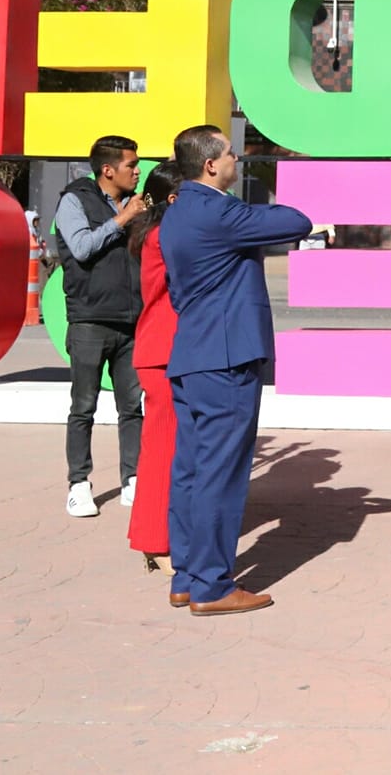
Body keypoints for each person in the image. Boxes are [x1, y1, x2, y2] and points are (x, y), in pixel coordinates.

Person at [161, 125, 315, 615]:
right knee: (221, 474)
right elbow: (298, 220)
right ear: (210, 165)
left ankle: (187, 575)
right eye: (230, 153)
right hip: (225, 357)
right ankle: (212, 585)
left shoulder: (178, 210)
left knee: (190, 469)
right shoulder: (217, 211)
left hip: (192, 355)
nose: (237, 159)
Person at [53, 134, 148, 519]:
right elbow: (81, 248)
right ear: (108, 170)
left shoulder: (138, 203)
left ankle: (133, 480)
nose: (138, 171)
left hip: (131, 321)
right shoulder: (74, 201)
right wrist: (123, 219)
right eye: (131, 165)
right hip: (90, 321)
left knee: (132, 407)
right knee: (84, 407)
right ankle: (78, 484)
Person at [125, 163, 183, 569]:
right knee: (161, 451)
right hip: (164, 353)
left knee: (170, 451)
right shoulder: (164, 237)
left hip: (168, 350)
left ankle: (161, 539)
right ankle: (154, 543)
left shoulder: (157, 233)